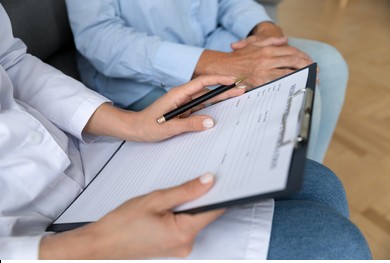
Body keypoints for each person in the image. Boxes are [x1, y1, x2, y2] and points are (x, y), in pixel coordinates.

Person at [0, 4, 371, 260]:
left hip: (81, 153)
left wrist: (130, 123)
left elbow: (11, 60)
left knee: (317, 182)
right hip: (37, 241)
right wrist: (89, 247)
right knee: (340, 247)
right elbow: (101, 38)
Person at [65, 0, 349, 163]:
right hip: (140, 73)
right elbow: (99, 37)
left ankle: (308, 180)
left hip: (215, 39)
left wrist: (263, 29)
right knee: (295, 86)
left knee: (326, 66)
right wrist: (223, 63)